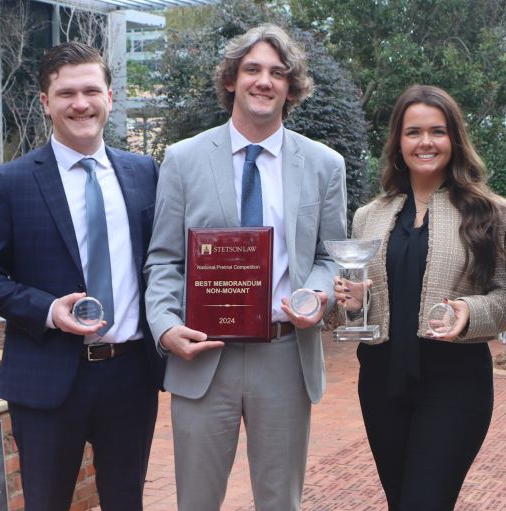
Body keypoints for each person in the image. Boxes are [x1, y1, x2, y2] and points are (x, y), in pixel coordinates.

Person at [143, 24, 347, 510]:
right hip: (203, 355)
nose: (265, 81)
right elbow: (165, 259)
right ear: (231, 79)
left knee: (280, 502)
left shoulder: (323, 164)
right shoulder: (183, 159)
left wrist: (320, 296)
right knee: (196, 500)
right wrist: (166, 327)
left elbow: (331, 257)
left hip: (283, 356)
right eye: (252, 69)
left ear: (291, 87)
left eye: (278, 73)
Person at [0, 41, 164, 510]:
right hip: (46, 377)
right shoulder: (10, 181)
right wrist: (48, 310)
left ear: (110, 98)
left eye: (92, 90)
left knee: (126, 502)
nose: (80, 103)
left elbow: (163, 263)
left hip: (130, 373)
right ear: (44, 102)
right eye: (66, 92)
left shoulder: (144, 173)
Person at [336, 85, 506, 510]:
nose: (426, 142)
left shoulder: (490, 211)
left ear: (455, 139)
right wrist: (355, 303)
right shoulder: (369, 216)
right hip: (380, 382)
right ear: (398, 142)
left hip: (455, 382)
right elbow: (359, 308)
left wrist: (468, 312)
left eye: (438, 131)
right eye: (413, 132)